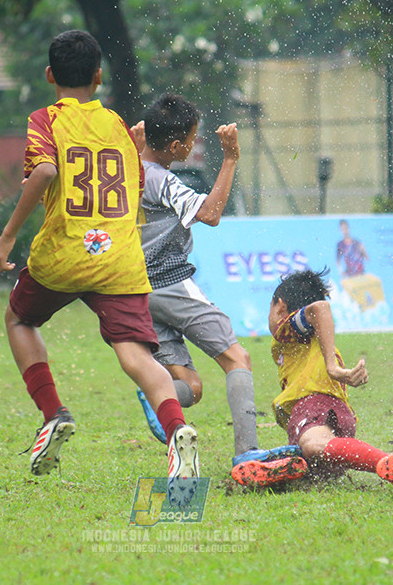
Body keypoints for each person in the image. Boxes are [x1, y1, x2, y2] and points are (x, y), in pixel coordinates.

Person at [0, 31, 199, 488]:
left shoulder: (45, 120)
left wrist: (6, 238)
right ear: (98, 77)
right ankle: (179, 430)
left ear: (49, 76)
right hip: (118, 259)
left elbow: (44, 170)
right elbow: (136, 181)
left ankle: (53, 414)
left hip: (64, 254)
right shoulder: (119, 125)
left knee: (19, 321)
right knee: (137, 356)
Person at [131, 92, 301, 488]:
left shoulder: (132, 172)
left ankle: (155, 392)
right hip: (171, 286)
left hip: (136, 292)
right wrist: (230, 159)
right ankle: (247, 454)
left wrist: (137, 148)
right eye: (191, 138)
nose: (193, 145)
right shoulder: (162, 179)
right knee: (237, 358)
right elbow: (209, 214)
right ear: (175, 146)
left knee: (191, 386)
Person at [232, 267, 393, 486]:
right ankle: (285, 467)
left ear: (280, 307)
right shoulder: (311, 335)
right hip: (341, 416)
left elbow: (321, 308)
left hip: (312, 406)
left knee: (312, 446)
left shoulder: (285, 330)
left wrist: (332, 367)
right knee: (316, 466)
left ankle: (384, 460)